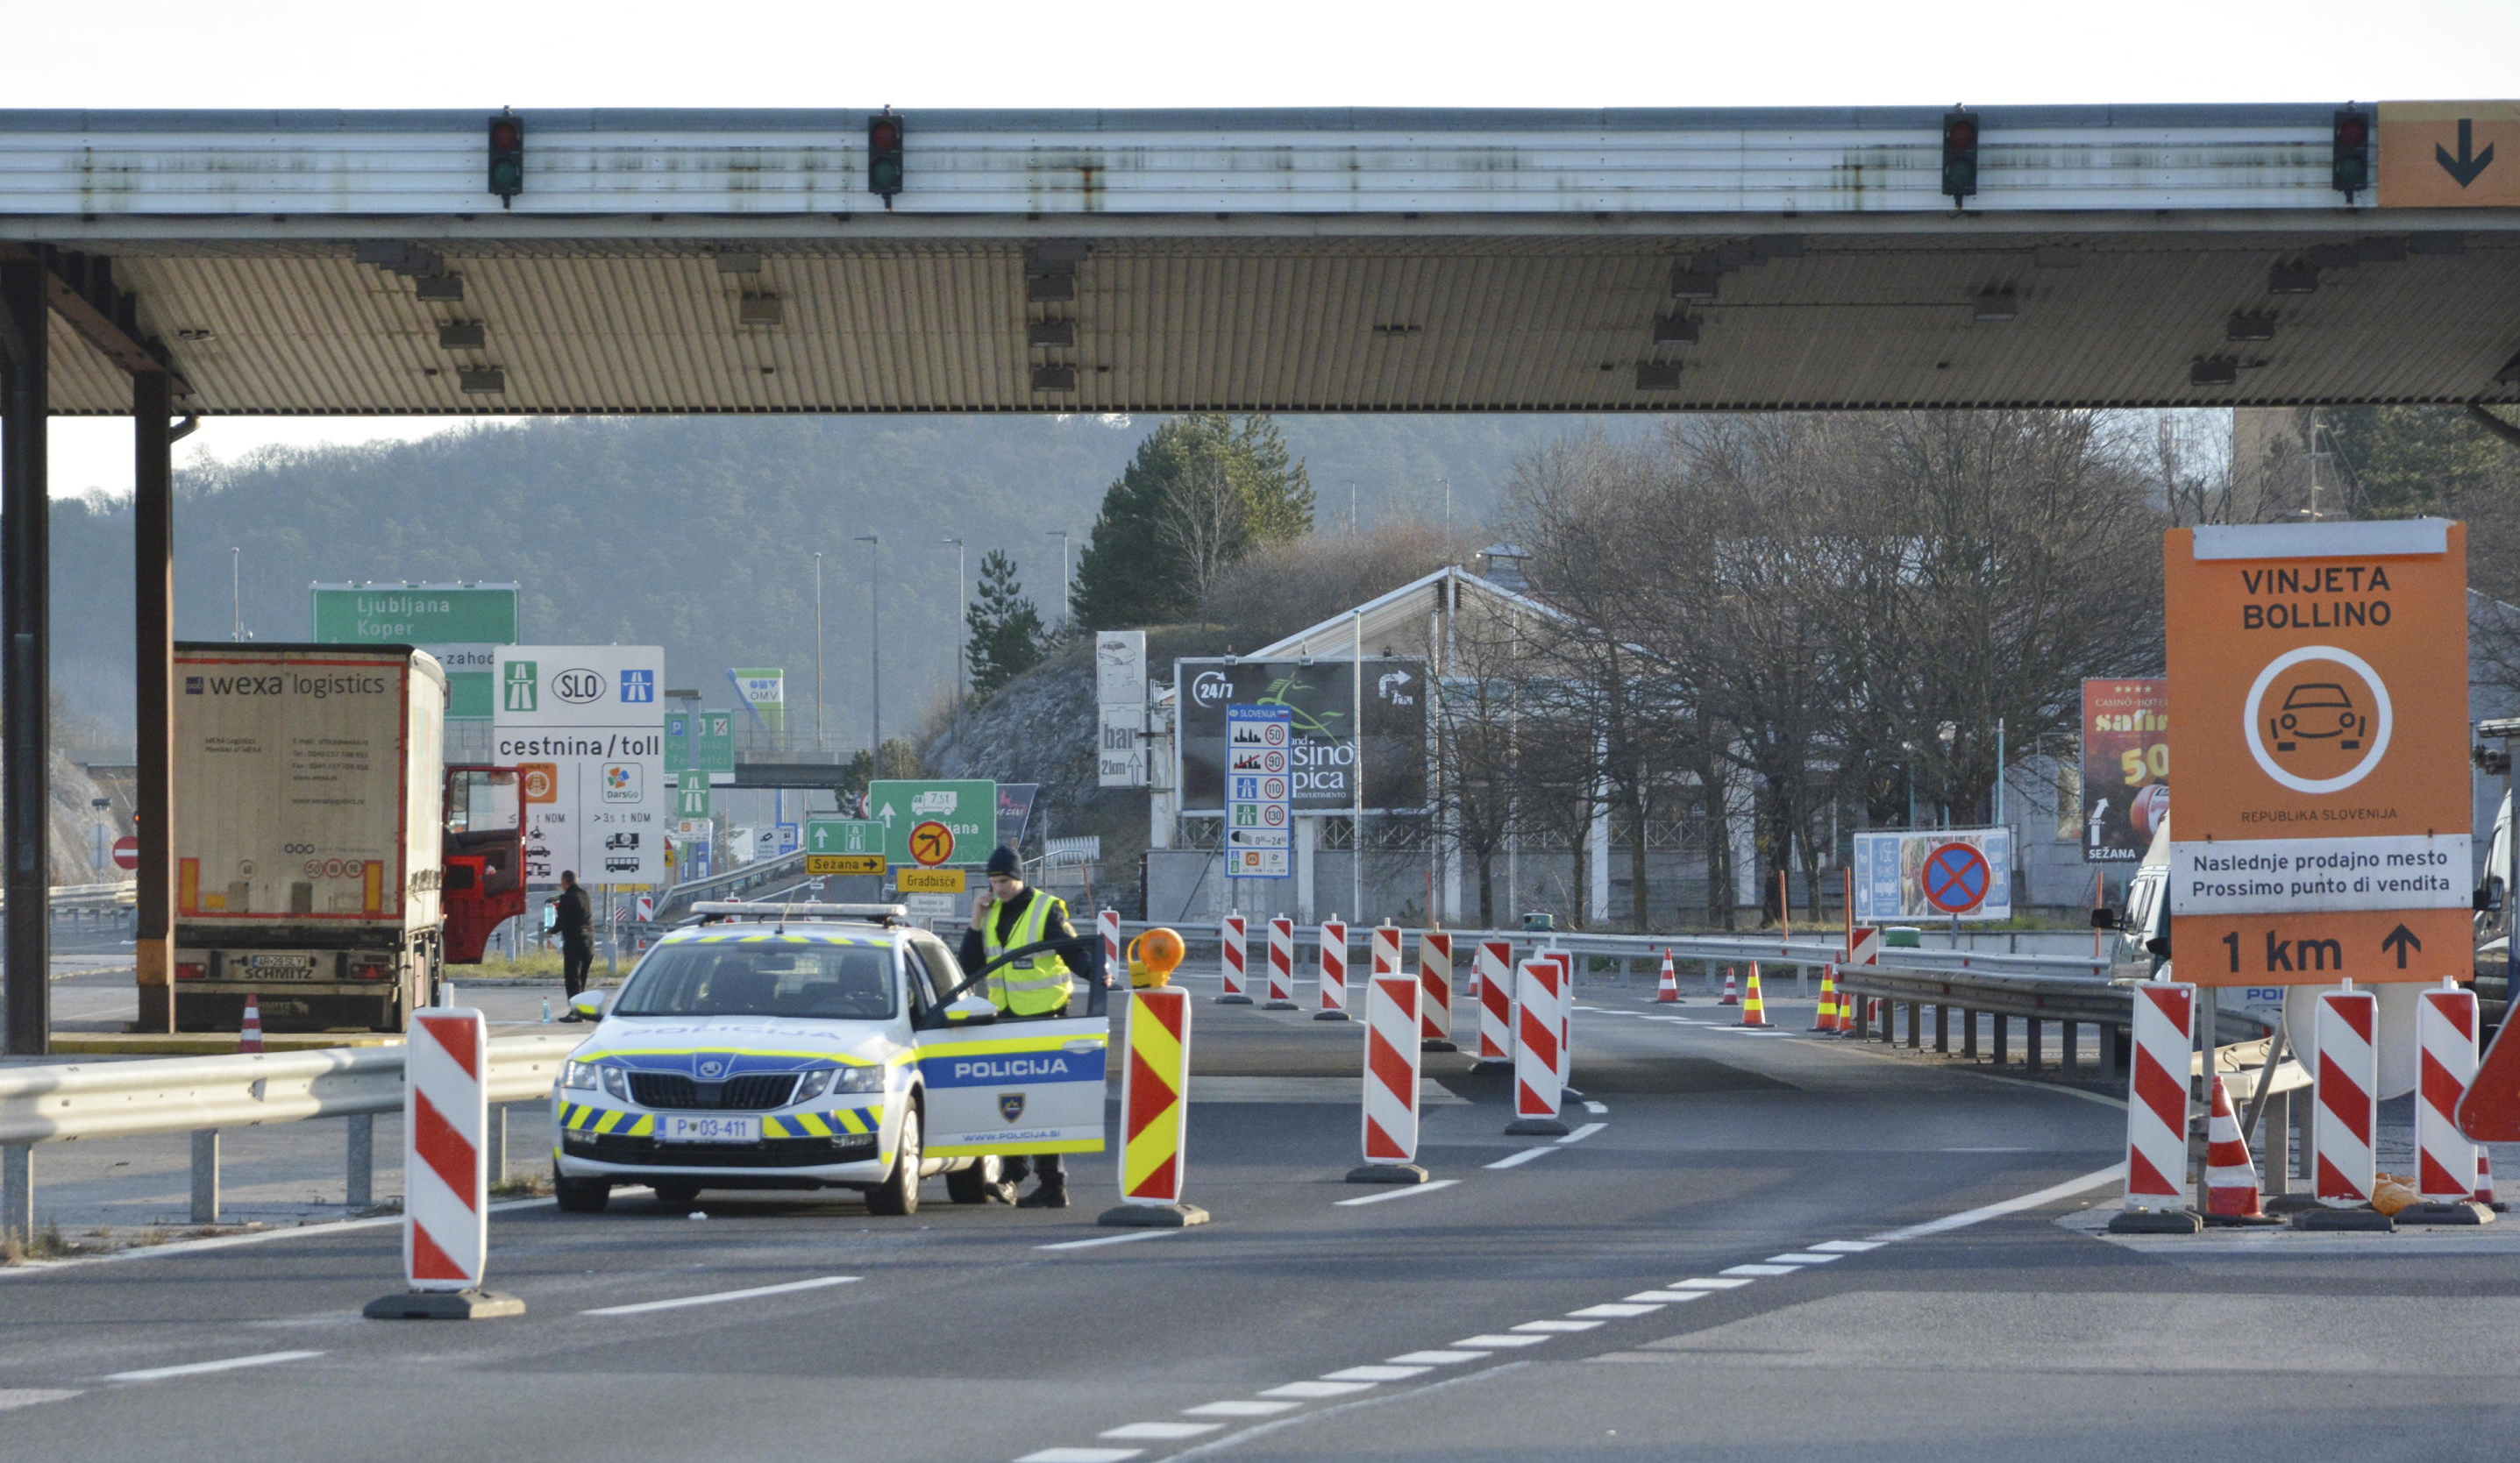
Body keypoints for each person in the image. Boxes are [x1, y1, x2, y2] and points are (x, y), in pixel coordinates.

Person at [958, 845, 1096, 1208]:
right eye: (993, 881)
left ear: (1020, 878)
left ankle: (1049, 1183)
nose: (999, 887)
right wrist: (975, 919)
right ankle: (1015, 1174)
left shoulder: (1046, 909)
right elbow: (969, 966)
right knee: (1010, 1100)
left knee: (1039, 1104)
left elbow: (1073, 951)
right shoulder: (991, 912)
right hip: (1004, 1019)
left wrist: (1097, 974)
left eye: (1005, 880)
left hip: (1043, 1019)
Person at [554, 870, 594, 1019]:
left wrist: (551, 930)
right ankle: (581, 1011)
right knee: (582, 978)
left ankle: (575, 1013)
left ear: (565, 882)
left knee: (572, 979)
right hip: (589, 942)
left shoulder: (567, 898)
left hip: (574, 941)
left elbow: (562, 921)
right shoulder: (586, 895)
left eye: (562, 882)